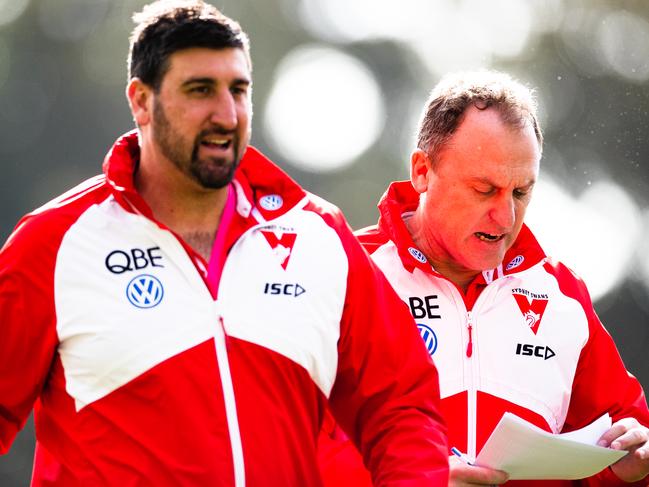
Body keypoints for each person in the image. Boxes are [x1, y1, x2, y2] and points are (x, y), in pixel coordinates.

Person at [0, 1, 450, 485]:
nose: (226, 114)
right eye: (200, 91)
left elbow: (401, 407)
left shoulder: (319, 235)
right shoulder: (56, 242)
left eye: (238, 90)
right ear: (141, 101)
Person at [319, 71, 649, 486]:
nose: (505, 217)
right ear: (423, 171)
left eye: (520, 192)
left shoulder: (562, 293)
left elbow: (621, 442)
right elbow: (274, 440)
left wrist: (630, 470)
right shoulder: (343, 271)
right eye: (484, 189)